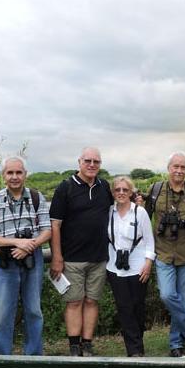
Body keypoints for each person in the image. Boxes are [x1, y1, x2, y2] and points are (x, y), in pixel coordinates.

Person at [143, 152, 185, 357]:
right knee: (167, 295)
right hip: (163, 252)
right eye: (176, 166)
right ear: (168, 168)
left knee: (183, 301)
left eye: (183, 167)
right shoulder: (156, 190)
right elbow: (143, 217)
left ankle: (176, 344)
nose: (179, 171)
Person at [0, 156, 51, 356]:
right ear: (3, 175)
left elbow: (47, 230)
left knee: (34, 310)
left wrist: (28, 246)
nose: (14, 177)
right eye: (10, 172)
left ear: (25, 174)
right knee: (2, 312)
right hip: (4, 261)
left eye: (18, 172)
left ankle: (34, 356)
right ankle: (1, 358)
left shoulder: (36, 197)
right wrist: (17, 242)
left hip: (32, 259)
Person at [49, 147, 113, 357]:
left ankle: (87, 343)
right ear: (79, 162)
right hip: (72, 258)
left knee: (92, 301)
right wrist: (57, 257)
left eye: (96, 161)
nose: (92, 165)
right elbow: (55, 225)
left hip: (99, 257)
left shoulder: (104, 187)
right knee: (74, 301)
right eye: (88, 161)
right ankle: (74, 346)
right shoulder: (65, 188)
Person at [105, 176, 156, 357]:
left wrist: (148, 263)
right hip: (114, 267)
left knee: (137, 308)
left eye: (125, 190)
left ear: (131, 192)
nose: (121, 193)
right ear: (112, 192)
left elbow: (149, 240)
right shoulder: (108, 212)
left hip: (138, 267)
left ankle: (137, 343)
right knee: (124, 308)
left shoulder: (139, 213)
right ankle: (134, 351)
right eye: (117, 190)